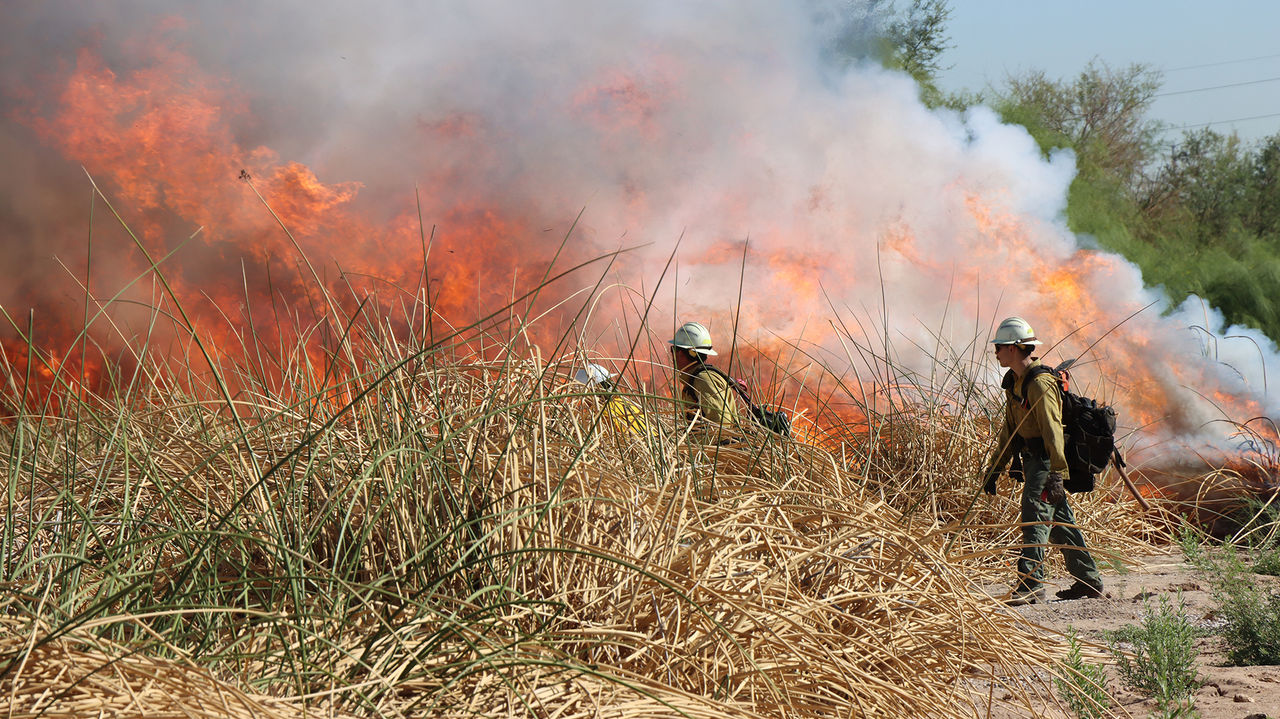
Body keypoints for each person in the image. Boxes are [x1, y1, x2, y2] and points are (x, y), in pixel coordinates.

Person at [981, 316, 1105, 606]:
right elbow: (1009, 431)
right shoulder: (1015, 383)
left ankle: (1031, 585)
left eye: (998, 346)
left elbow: (1052, 431)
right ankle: (1089, 580)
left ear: (1013, 348)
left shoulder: (1039, 384)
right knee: (1062, 524)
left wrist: (1058, 474)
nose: (995, 352)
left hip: (1047, 463)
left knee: (1035, 517)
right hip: (1033, 461)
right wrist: (994, 470)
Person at [668, 321, 742, 438]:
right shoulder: (694, 379)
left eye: (674, 349)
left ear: (681, 352)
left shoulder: (703, 380)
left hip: (716, 454)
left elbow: (721, 428)